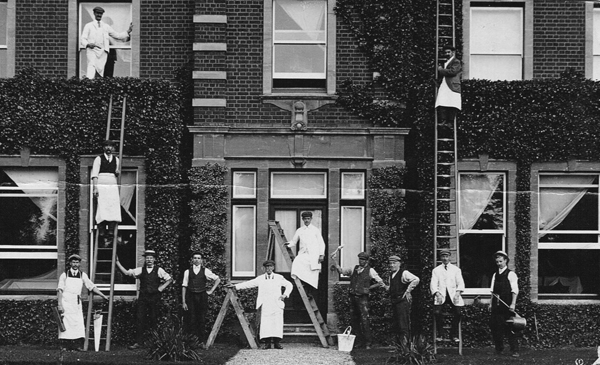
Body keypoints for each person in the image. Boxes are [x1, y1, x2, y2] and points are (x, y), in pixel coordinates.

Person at [228, 260, 293, 350]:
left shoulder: (279, 277)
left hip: (276, 303)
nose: (269, 269)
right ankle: (267, 343)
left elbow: (289, 285)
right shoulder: (261, 278)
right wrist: (235, 286)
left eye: (270, 267)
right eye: (267, 267)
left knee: (277, 323)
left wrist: (285, 295)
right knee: (266, 323)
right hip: (265, 304)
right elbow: (249, 284)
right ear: (264, 268)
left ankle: (277, 343)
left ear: (273, 268)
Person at [116, 249, 173, 350]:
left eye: (151, 258)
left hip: (154, 297)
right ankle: (139, 342)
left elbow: (169, 279)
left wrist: (161, 288)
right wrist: (117, 263)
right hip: (143, 297)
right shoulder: (140, 270)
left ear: (154, 259)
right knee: (140, 318)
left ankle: (155, 342)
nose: (149, 260)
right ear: (145, 260)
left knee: (154, 319)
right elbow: (127, 273)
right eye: (147, 258)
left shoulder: (159, 270)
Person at [331, 252, 384, 349]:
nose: (361, 261)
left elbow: (380, 282)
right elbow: (341, 271)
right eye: (360, 259)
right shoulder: (354, 268)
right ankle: (359, 341)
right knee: (354, 320)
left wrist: (368, 288)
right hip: (353, 298)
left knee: (365, 320)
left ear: (367, 261)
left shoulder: (370, 271)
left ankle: (368, 343)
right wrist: (334, 260)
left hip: (363, 299)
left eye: (363, 260)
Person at [57, 254, 108, 351]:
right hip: (66, 302)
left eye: (77, 262)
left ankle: (77, 345)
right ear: (70, 263)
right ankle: (65, 345)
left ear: (79, 263)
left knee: (77, 323)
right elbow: (59, 290)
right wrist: (60, 304)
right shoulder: (64, 274)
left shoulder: (82, 275)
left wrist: (103, 295)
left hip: (76, 303)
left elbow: (91, 286)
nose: (75, 264)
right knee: (66, 323)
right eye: (73, 262)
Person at [80, 6, 133, 79]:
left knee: (101, 71)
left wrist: (128, 31)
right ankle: (89, 85)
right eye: (97, 13)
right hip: (92, 51)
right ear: (94, 13)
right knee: (91, 68)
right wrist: (88, 44)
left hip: (102, 52)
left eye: (100, 13)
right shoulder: (88, 26)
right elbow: (83, 38)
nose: (99, 15)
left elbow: (117, 36)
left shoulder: (106, 26)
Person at [181, 251, 221, 345]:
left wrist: (211, 291)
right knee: (191, 319)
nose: (197, 260)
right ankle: (191, 342)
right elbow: (184, 286)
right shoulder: (187, 272)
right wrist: (183, 302)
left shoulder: (205, 271)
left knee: (201, 319)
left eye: (199, 258)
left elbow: (217, 279)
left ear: (202, 260)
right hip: (190, 297)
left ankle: (201, 341)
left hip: (202, 297)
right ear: (192, 260)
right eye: (195, 258)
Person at [284, 211, 325, 291]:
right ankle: (303, 283)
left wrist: (321, 255)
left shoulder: (315, 230)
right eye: (305, 219)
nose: (307, 220)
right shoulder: (300, 230)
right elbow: (293, 241)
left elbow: (321, 243)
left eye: (308, 219)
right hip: (304, 254)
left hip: (313, 255)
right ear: (302, 219)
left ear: (311, 219)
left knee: (312, 273)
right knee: (297, 262)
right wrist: (287, 244)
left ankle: (309, 289)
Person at [430, 249, 464, 343]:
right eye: (443, 256)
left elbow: (460, 283)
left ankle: (454, 335)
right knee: (437, 312)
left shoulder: (456, 270)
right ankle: (441, 334)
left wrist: (457, 293)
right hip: (441, 294)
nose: (445, 258)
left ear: (450, 257)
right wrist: (437, 293)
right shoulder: (436, 270)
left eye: (447, 256)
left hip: (453, 295)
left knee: (458, 313)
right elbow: (433, 284)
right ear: (441, 258)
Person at [384, 255, 420, 345]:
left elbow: (416, 279)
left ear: (399, 264)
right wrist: (386, 287)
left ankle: (405, 346)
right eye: (390, 263)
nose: (392, 265)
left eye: (394, 263)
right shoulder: (391, 275)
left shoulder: (404, 273)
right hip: (395, 302)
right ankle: (399, 346)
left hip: (402, 302)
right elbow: (392, 287)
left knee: (403, 324)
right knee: (397, 324)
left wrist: (408, 291)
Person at [490, 250, 520, 357]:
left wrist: (513, 304)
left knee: (510, 327)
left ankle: (514, 350)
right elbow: (492, 292)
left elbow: (515, 290)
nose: (499, 263)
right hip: (496, 305)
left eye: (501, 261)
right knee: (496, 327)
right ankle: (499, 349)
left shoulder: (511, 274)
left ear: (506, 261)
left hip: (507, 304)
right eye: (497, 262)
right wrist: (490, 304)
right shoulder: (495, 275)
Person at [91, 140, 121, 246]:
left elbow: (116, 172)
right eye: (106, 146)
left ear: (113, 148)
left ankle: (111, 230)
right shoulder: (98, 159)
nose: (109, 148)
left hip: (112, 184)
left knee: (112, 205)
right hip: (101, 184)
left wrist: (117, 173)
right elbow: (95, 175)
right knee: (102, 206)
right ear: (103, 148)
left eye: (111, 146)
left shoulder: (116, 159)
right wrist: (95, 188)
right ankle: (102, 230)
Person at [435, 45, 462, 126]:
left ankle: (450, 122)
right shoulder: (445, 62)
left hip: (452, 85)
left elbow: (452, 72)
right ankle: (443, 120)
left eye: (449, 52)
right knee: (442, 101)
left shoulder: (456, 61)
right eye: (446, 52)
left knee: (453, 102)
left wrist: (441, 70)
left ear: (453, 53)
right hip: (444, 84)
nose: (447, 54)